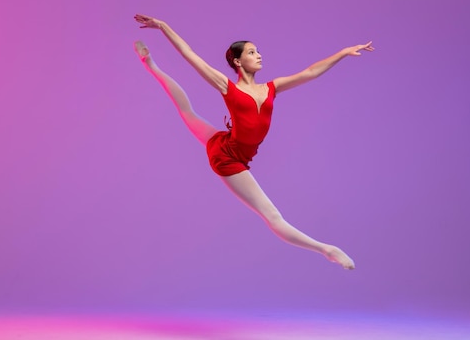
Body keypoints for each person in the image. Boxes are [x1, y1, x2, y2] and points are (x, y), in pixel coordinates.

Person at [133, 14, 374, 270]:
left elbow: (311, 72)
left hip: (226, 142)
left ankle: (150, 65)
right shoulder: (227, 87)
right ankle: (326, 249)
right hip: (228, 160)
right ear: (238, 61)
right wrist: (162, 26)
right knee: (273, 217)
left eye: (258, 51)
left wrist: (343, 52)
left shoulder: (272, 87)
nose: (259, 55)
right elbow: (188, 53)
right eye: (251, 52)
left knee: (189, 113)